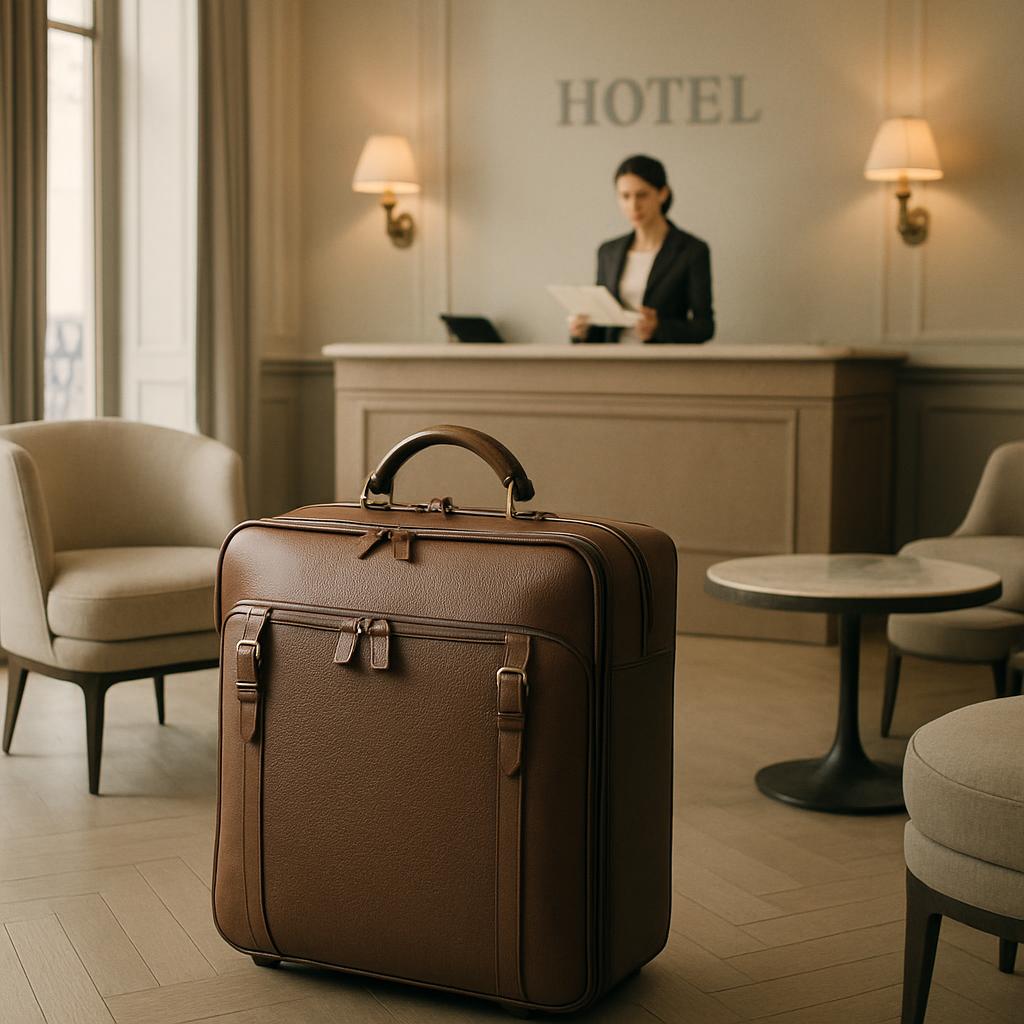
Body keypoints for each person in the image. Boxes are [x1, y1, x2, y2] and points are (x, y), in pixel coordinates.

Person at [570, 154, 714, 344]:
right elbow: (602, 326)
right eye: (625, 196)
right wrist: (581, 331)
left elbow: (704, 326)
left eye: (642, 195)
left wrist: (658, 328)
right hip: (613, 362)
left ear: (662, 194)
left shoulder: (692, 250)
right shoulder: (608, 252)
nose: (633, 205)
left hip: (663, 364)